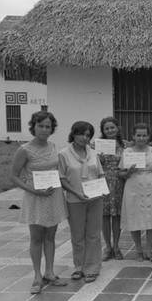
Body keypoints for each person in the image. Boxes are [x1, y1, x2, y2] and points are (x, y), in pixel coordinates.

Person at [9, 111, 68, 294]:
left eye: (48, 126)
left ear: (52, 129)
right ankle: (37, 275)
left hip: (53, 196)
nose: (44, 129)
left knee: (50, 236)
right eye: (40, 126)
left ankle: (49, 272)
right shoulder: (24, 150)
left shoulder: (52, 146)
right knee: (36, 237)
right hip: (35, 197)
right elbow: (13, 177)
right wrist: (33, 190)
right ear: (33, 126)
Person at [58, 121, 104, 284]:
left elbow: (100, 174)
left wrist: (102, 189)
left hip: (95, 199)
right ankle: (79, 266)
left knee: (93, 234)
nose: (84, 138)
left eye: (88, 135)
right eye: (81, 134)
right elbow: (62, 179)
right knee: (77, 235)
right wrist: (77, 193)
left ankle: (92, 268)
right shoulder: (63, 154)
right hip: (74, 199)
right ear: (73, 134)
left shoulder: (93, 153)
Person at [119, 123, 152, 262]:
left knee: (151, 218)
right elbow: (121, 173)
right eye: (138, 135)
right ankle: (139, 250)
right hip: (133, 187)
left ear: (148, 136)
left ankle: (149, 249)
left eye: (144, 135)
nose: (141, 138)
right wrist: (128, 172)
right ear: (133, 136)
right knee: (135, 217)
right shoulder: (127, 152)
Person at [98, 116, 126, 261]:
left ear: (117, 128)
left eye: (112, 127)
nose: (110, 130)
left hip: (119, 183)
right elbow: (90, 164)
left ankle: (116, 246)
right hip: (103, 182)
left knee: (117, 216)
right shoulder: (96, 146)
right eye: (106, 128)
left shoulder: (125, 145)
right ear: (103, 131)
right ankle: (107, 247)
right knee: (104, 216)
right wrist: (98, 160)